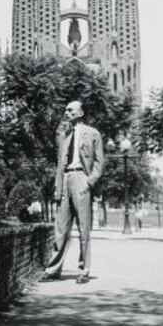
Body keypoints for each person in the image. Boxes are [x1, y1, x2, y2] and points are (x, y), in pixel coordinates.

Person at [41, 100, 104, 284]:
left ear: (81, 112)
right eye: (66, 109)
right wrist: (57, 187)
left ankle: (84, 271)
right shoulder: (64, 135)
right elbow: (59, 164)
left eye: (70, 110)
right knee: (60, 228)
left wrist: (89, 182)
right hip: (65, 179)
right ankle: (53, 270)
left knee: (84, 229)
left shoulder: (93, 133)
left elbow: (100, 163)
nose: (66, 112)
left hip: (81, 179)